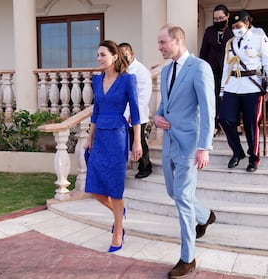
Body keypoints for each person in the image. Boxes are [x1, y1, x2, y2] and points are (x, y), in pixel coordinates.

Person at [154, 24, 216, 279]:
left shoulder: (200, 68)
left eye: (162, 43)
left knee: (182, 197)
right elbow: (164, 105)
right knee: (173, 191)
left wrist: (204, 147)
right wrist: (157, 117)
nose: (159, 48)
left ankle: (187, 258)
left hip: (190, 145)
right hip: (169, 143)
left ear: (177, 40)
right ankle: (206, 216)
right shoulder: (166, 70)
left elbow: (208, 109)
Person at [83, 40, 143, 253]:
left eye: (102, 55)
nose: (99, 58)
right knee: (95, 188)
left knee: (115, 189)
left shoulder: (128, 80)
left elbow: (135, 113)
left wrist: (137, 141)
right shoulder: (96, 80)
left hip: (118, 136)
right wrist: (89, 138)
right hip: (99, 137)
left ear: (114, 56)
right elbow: (96, 112)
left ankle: (118, 232)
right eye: (98, 55)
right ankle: (119, 214)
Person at [219, 10, 268, 173]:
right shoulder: (230, 42)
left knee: (252, 124)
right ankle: (238, 152)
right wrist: (223, 91)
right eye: (233, 26)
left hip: (252, 87)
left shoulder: (259, 39)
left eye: (238, 26)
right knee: (224, 119)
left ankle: (254, 157)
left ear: (247, 24)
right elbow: (226, 67)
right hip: (232, 86)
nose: (235, 29)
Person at [119, 42, 153, 179]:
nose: (122, 58)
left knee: (138, 141)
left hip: (137, 114)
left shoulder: (141, 71)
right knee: (128, 142)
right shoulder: (121, 70)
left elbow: (144, 96)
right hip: (123, 113)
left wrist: (133, 114)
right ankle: (139, 163)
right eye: (120, 55)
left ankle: (146, 166)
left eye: (124, 55)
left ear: (131, 54)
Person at [200, 4, 233, 137]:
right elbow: (203, 52)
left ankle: (229, 125)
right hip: (211, 71)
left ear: (227, 16)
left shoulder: (233, 31)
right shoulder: (209, 31)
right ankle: (213, 125)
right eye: (216, 19)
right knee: (212, 99)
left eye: (221, 18)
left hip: (229, 71)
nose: (218, 21)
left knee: (228, 99)